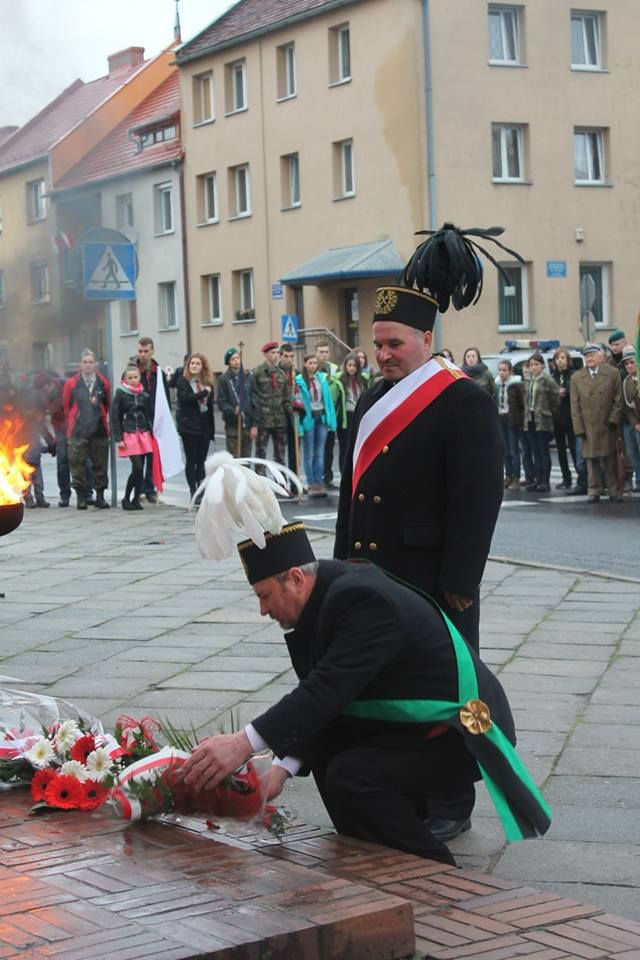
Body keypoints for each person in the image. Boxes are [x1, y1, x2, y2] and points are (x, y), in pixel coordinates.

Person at [176, 522, 551, 867]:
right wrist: (280, 769)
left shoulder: (362, 599)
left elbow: (325, 691)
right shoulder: (327, 594)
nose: (262, 610)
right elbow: (327, 701)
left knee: (351, 775)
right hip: (417, 726)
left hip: (464, 732)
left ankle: (434, 869)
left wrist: (242, 744)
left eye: (265, 596)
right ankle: (370, 860)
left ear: (296, 579)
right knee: (331, 759)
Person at [334, 223, 512, 843]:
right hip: (374, 577)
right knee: (387, 688)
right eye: (378, 343)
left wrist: (461, 581)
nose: (384, 354)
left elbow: (478, 498)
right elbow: (352, 495)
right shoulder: (370, 401)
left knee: (444, 693)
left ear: (427, 340)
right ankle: (401, 788)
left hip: (432, 579)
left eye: (396, 343)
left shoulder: (462, 400)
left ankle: (451, 797)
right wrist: (340, 569)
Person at [570, 342, 623, 503]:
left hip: (607, 423)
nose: (589, 359)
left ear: (600, 357)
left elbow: (618, 399)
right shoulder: (577, 378)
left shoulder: (612, 373)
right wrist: (579, 428)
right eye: (587, 356)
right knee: (591, 459)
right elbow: (574, 406)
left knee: (609, 458)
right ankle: (594, 490)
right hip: (588, 425)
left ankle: (613, 489)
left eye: (592, 355)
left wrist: (613, 419)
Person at [62, 350, 110, 510]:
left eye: (90, 362)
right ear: (80, 364)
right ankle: (81, 497)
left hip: (99, 429)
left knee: (100, 464)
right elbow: (66, 405)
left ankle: (100, 496)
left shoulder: (103, 382)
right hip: (78, 430)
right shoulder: (72, 383)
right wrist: (73, 420)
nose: (88, 365)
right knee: (77, 464)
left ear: (95, 364)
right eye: (85, 362)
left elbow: (106, 404)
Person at [110, 364, 153, 511]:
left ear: (139, 378)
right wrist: (118, 438)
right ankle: (126, 497)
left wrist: (151, 432)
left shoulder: (143, 395)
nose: (133, 380)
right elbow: (115, 416)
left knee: (140, 469)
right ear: (125, 379)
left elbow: (147, 415)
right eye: (130, 378)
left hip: (143, 433)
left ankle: (135, 499)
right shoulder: (121, 393)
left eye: (135, 377)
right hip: (129, 433)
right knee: (137, 467)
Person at [135, 336, 171, 504]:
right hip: (138, 420)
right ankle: (138, 490)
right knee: (138, 459)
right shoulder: (132, 372)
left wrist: (165, 419)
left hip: (155, 420)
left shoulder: (158, 373)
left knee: (152, 457)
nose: (143, 354)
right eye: (140, 351)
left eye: (146, 351)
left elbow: (165, 398)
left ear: (152, 351)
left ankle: (149, 489)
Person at [295, 354, 337, 497]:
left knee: (319, 452)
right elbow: (298, 402)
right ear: (305, 364)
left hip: (321, 417)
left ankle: (319, 482)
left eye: (315, 363)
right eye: (310, 363)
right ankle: (311, 483)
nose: (313, 365)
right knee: (309, 453)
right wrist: (299, 425)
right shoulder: (299, 380)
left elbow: (328, 400)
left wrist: (331, 420)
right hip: (308, 418)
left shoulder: (322, 378)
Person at [176, 353, 216, 499]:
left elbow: (210, 408)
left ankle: (201, 488)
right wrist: (204, 393)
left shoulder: (207, 383)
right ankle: (193, 490)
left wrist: (211, 431)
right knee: (191, 460)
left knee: (201, 461)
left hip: (204, 424)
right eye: (192, 363)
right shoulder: (183, 381)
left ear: (203, 367)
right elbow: (185, 398)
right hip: (189, 425)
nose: (194, 366)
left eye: (198, 363)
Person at [522, 352, 560, 493]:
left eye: (536, 364)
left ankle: (545, 480)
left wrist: (549, 412)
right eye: (531, 365)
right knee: (535, 450)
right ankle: (537, 479)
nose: (534, 367)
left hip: (543, 419)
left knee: (543, 450)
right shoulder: (528, 380)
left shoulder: (547, 380)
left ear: (542, 366)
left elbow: (555, 399)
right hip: (530, 418)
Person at [550, 347, 585, 492]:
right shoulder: (553, 376)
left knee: (574, 448)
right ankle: (566, 478)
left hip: (570, 417)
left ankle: (581, 478)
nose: (560, 361)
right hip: (557, 417)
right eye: (557, 358)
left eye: (562, 358)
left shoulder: (573, 375)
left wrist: (567, 391)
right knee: (561, 449)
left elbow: (577, 393)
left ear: (568, 360)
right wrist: (556, 392)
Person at [253, 342, 291, 467]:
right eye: (272, 353)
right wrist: (254, 421)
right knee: (261, 454)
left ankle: (280, 479)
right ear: (265, 354)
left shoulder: (282, 374)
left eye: (277, 353)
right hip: (263, 420)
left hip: (280, 420)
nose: (276, 356)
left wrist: (292, 410)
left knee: (280, 456)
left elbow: (286, 397)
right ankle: (260, 477)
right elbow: (253, 397)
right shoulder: (257, 372)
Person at [216, 347, 258, 458]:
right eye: (233, 359)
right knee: (234, 459)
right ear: (228, 362)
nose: (236, 361)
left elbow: (255, 401)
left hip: (247, 426)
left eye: (238, 358)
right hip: (233, 427)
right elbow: (221, 402)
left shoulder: (248, 377)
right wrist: (232, 410)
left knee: (246, 459)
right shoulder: (224, 379)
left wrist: (254, 425)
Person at [331, 352, 369, 473]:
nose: (352, 368)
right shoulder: (340, 380)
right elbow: (334, 400)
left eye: (354, 365)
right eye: (349, 365)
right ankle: (344, 473)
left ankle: (356, 472)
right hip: (345, 417)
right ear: (345, 366)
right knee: (345, 448)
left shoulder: (363, 380)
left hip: (359, 415)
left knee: (358, 447)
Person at [315, 342, 339, 488]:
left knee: (329, 448)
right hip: (317, 412)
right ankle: (317, 477)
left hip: (331, 412)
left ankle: (328, 476)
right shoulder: (312, 367)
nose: (323, 355)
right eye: (321, 352)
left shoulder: (334, 369)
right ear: (316, 353)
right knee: (317, 449)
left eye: (326, 352)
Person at [495, 360, 521, 490]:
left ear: (510, 371)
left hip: (511, 418)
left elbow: (520, 404)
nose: (501, 373)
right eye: (500, 370)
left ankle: (516, 477)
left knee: (513, 449)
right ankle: (508, 475)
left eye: (504, 370)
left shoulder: (515, 384)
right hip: (501, 417)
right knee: (504, 449)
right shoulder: (497, 384)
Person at [621, 346, 640, 492]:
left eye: (632, 362)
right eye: (626, 363)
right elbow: (627, 406)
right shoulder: (626, 381)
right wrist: (635, 423)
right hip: (633, 422)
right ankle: (639, 480)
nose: (629, 366)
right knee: (632, 454)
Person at [278, 343, 299, 473]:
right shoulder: (276, 372)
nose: (289, 359)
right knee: (280, 452)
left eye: (291, 356)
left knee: (294, 449)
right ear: (280, 356)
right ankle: (280, 480)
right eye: (286, 356)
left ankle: (294, 478)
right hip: (279, 415)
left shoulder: (297, 373)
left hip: (293, 414)